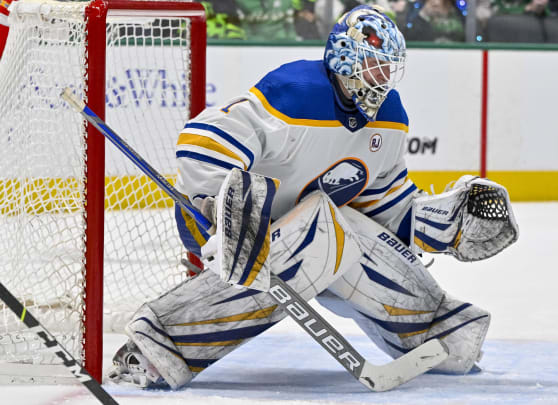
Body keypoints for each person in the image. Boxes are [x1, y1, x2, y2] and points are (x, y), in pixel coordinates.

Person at [107, 5, 519, 390]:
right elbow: (203, 141)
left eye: (387, 69)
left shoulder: (390, 118)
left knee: (342, 230)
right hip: (232, 235)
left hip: (318, 236)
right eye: (372, 65)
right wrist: (224, 208)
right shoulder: (297, 92)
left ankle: (434, 330)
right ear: (343, 58)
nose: (381, 78)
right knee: (324, 228)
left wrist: (443, 222)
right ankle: (155, 346)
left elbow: (384, 207)